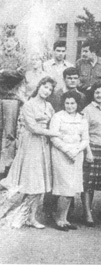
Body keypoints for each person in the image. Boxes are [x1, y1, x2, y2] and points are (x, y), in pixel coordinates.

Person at [0, 77, 59, 229]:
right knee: (27, 180)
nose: (47, 91)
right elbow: (32, 127)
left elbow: (54, 122)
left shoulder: (49, 106)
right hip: (31, 144)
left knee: (40, 181)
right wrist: (52, 133)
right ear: (39, 86)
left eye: (50, 89)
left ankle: (31, 217)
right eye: (45, 87)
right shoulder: (28, 105)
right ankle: (6, 211)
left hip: (43, 145)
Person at [50, 90, 89, 231]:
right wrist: (67, 150)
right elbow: (54, 137)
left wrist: (76, 150)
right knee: (65, 188)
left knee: (71, 189)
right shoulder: (57, 117)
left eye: (73, 103)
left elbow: (85, 139)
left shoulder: (82, 119)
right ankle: (59, 219)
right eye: (67, 103)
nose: (70, 106)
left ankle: (65, 219)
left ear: (77, 104)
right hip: (61, 154)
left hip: (76, 155)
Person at [81, 84, 101, 226]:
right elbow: (83, 132)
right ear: (93, 94)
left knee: (93, 182)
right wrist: (87, 151)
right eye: (97, 92)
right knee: (88, 182)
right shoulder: (87, 110)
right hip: (90, 147)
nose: (99, 95)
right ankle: (87, 213)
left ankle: (88, 211)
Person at [0, 34, 26, 175]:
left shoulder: (21, 58)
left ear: (16, 42)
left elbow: (20, 75)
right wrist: (12, 73)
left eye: (12, 40)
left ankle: (8, 166)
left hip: (12, 98)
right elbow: (14, 74)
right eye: (6, 40)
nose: (8, 43)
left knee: (9, 133)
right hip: (0, 95)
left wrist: (3, 72)